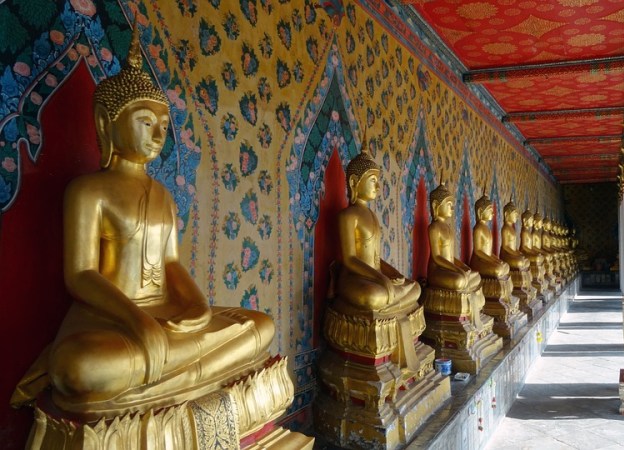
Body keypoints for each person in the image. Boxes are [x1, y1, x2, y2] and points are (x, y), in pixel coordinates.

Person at [12, 28, 274, 419]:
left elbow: (170, 264)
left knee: (260, 326)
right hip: (109, 319)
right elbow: (81, 275)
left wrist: (199, 310)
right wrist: (138, 322)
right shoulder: (88, 191)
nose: (157, 135)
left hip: (167, 317)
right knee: (77, 369)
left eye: (164, 126)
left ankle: (166, 372)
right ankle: (173, 372)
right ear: (107, 123)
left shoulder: (163, 196)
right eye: (145, 122)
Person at [335, 150, 420, 313]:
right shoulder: (348, 215)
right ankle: (389, 304)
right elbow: (350, 259)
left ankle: (388, 305)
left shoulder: (372, 215)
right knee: (374, 296)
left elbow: (375, 258)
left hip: (375, 277)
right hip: (355, 278)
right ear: (354, 182)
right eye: (373, 180)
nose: (378, 187)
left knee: (415, 287)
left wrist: (393, 273)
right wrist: (381, 278)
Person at [426, 181, 480, 292]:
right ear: (436, 205)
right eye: (449, 205)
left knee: (477, 276)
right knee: (459, 280)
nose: (452, 208)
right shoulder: (434, 228)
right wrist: (457, 269)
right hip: (438, 270)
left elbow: (450, 256)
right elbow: (437, 257)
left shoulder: (448, 228)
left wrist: (463, 267)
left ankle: (464, 289)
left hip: (449, 268)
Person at [470, 193, 510, 278]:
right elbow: (478, 251)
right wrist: (493, 260)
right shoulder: (478, 228)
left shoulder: (487, 228)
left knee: (506, 267)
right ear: (480, 211)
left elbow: (488, 252)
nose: (493, 213)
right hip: (479, 261)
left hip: (487, 260)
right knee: (498, 269)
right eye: (490, 210)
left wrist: (496, 260)